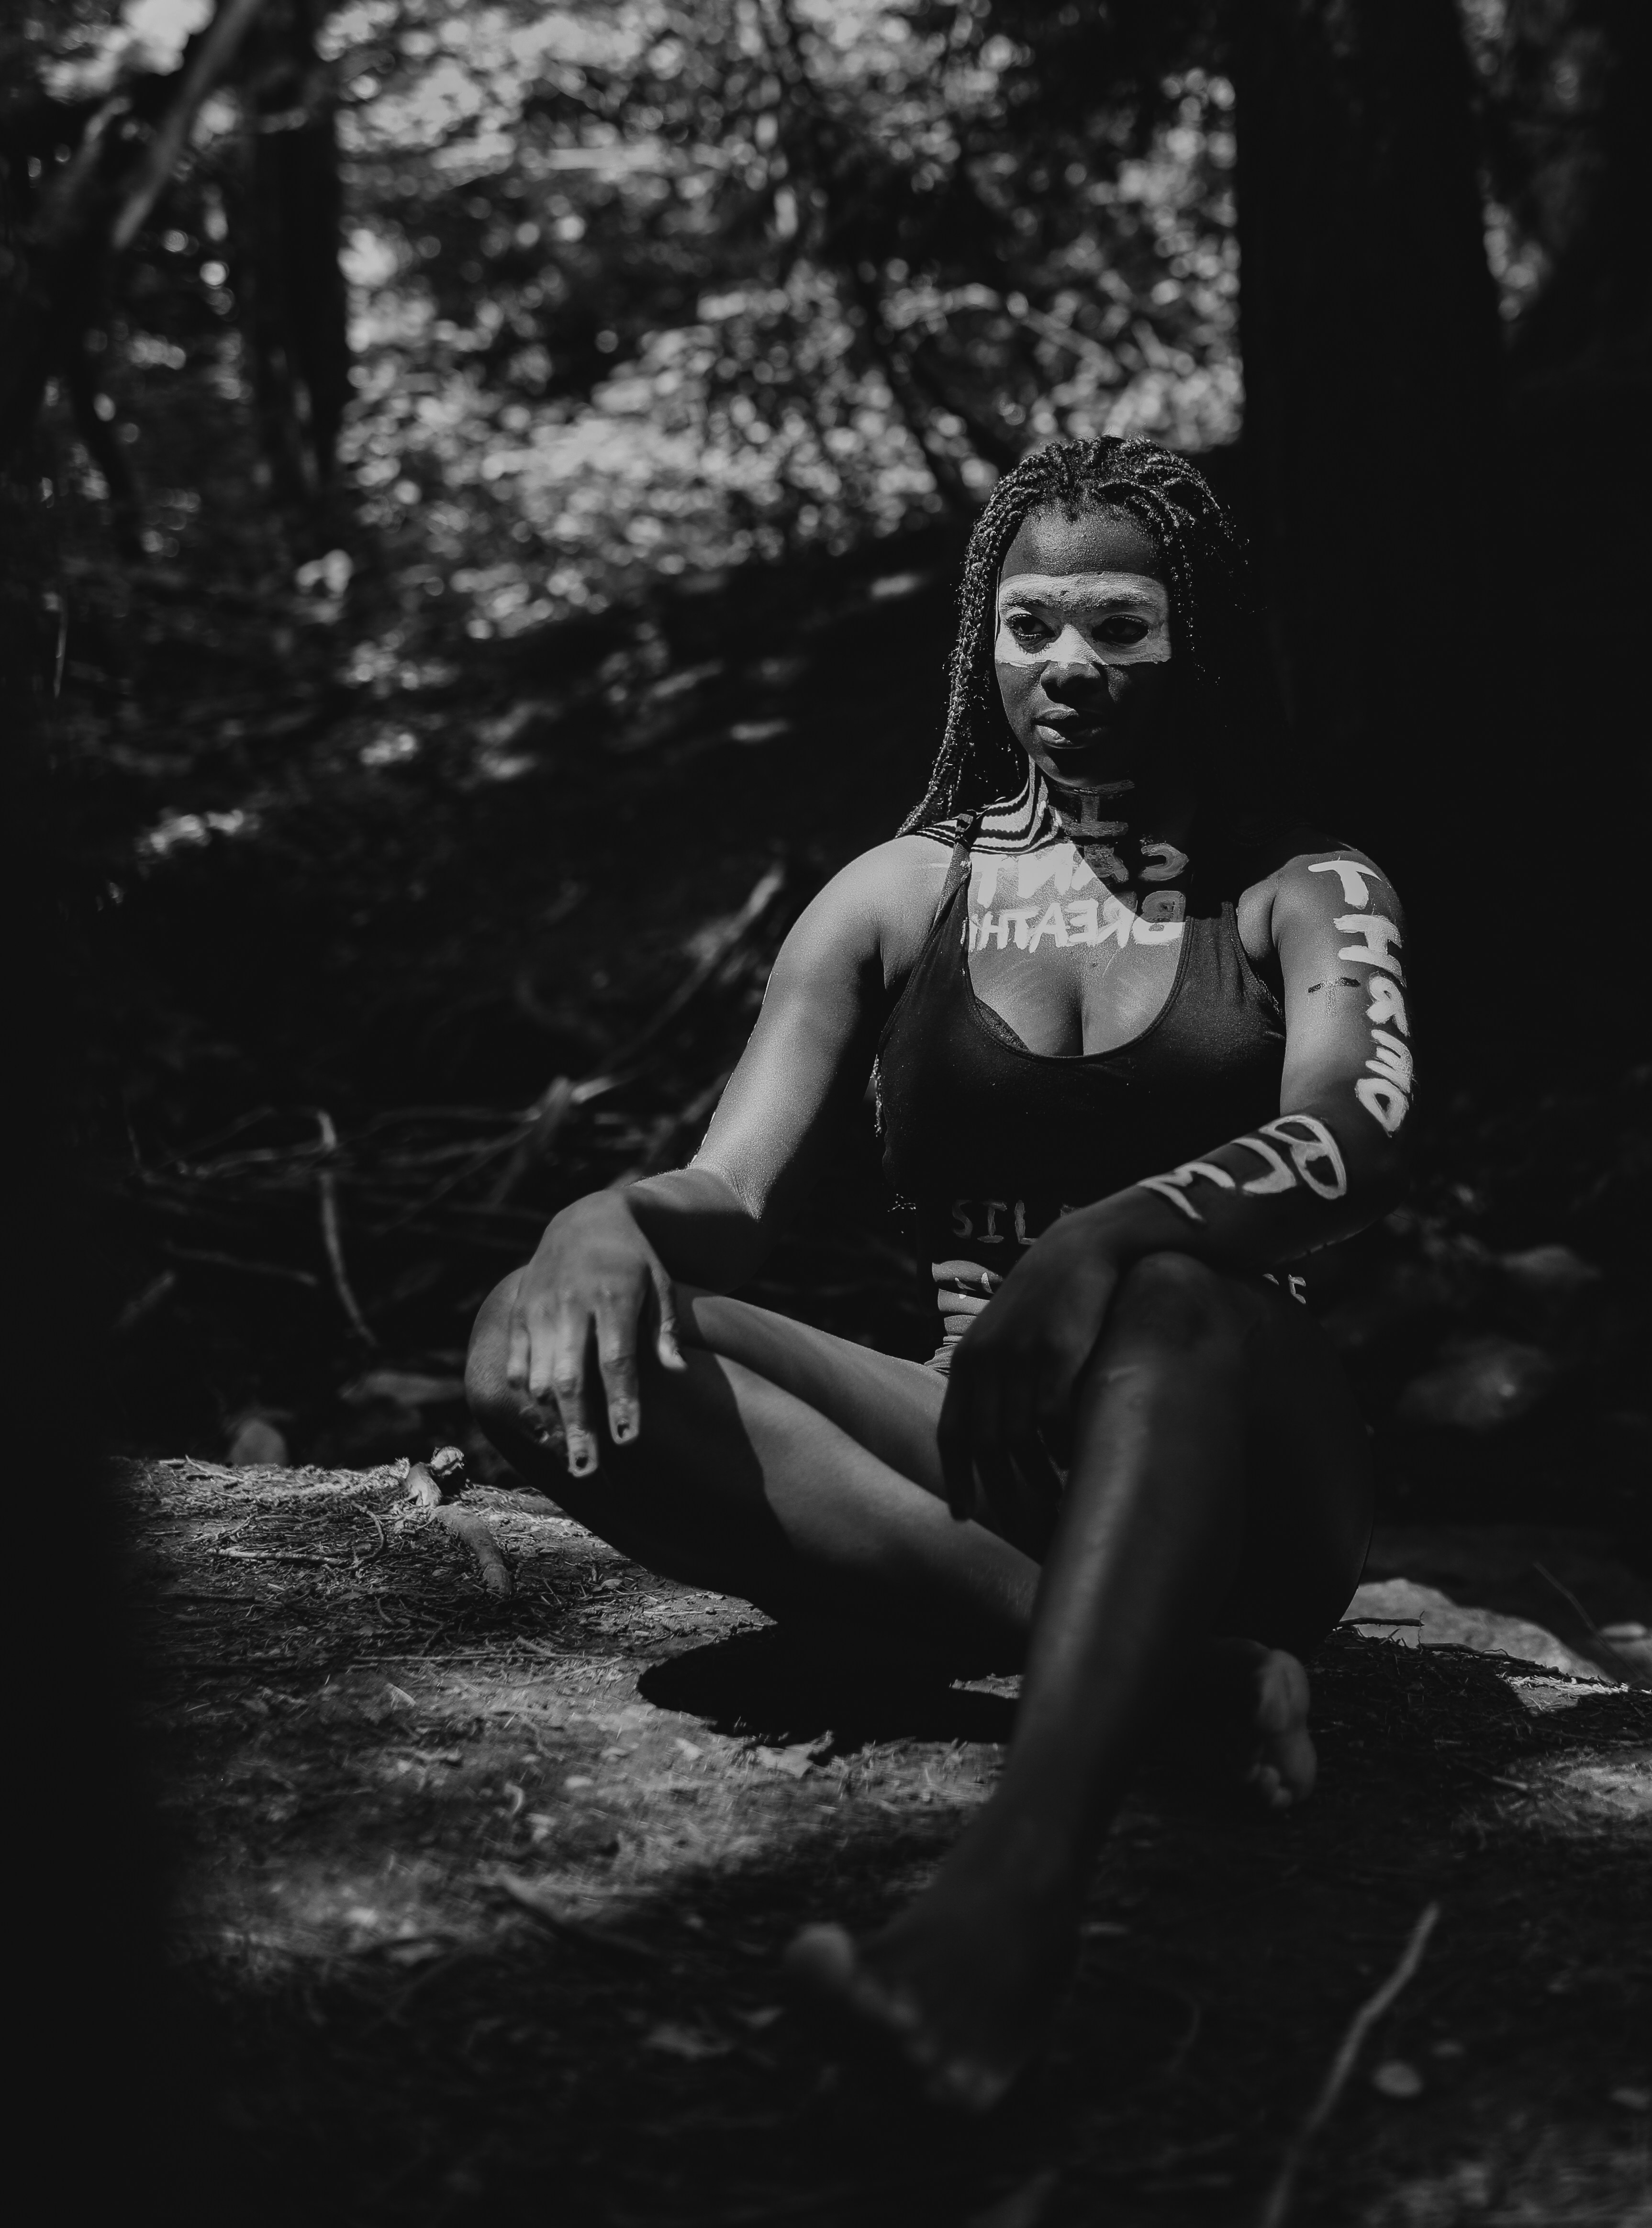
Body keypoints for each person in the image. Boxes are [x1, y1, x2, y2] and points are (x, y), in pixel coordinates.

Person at [466, 435, 1417, 2110]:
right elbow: (727, 1187)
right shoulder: (899, 895)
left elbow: (1355, 1137)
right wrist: (594, 1223)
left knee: (1178, 1301)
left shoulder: (1307, 890)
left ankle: (1007, 1908)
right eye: (1033, 625)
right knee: (537, 1356)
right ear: (981, 636)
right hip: (983, 1437)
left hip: (1240, 1458)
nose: (1072, 666)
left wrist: (1110, 1242)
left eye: (1121, 627)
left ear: (1201, 635)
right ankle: (1179, 1691)